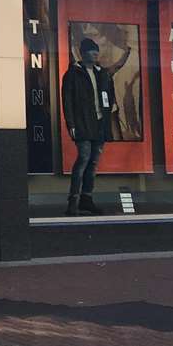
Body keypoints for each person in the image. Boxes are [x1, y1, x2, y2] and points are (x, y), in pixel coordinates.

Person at [61, 37, 118, 216]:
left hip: (99, 123)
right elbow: (67, 101)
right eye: (91, 51)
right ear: (83, 53)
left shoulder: (102, 73)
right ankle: (74, 200)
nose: (95, 54)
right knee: (84, 159)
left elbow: (109, 97)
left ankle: (86, 199)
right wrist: (71, 123)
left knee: (92, 162)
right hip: (83, 123)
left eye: (96, 51)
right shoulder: (73, 74)